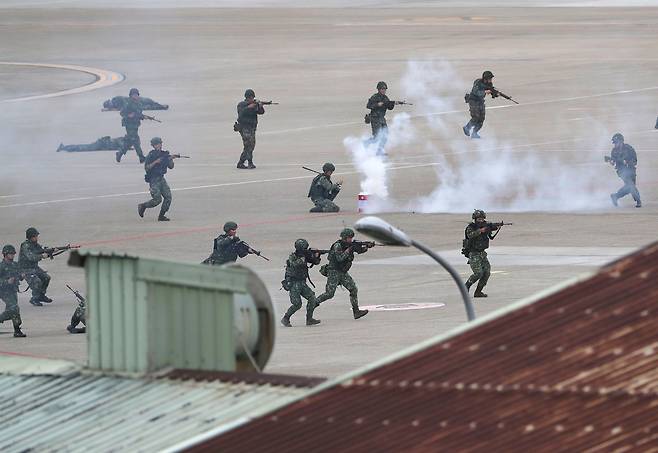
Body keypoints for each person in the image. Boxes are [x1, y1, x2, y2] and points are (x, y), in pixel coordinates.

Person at [314, 228, 371, 320]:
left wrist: (367, 247)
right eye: (349, 238)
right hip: (334, 271)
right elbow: (340, 258)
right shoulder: (337, 246)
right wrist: (349, 249)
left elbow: (359, 250)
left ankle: (356, 311)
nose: (351, 240)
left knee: (353, 289)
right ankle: (314, 303)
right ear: (345, 238)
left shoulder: (349, 245)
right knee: (329, 294)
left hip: (342, 272)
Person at [280, 239, 321, 327]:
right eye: (304, 248)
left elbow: (315, 262)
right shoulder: (293, 256)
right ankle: (286, 318)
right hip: (294, 283)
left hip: (302, 282)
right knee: (297, 304)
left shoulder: (305, 255)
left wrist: (316, 256)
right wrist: (303, 258)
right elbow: (294, 264)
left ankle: (309, 319)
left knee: (312, 298)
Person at [138, 137, 176, 221]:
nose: (159, 145)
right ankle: (143, 206)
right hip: (153, 180)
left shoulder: (164, 154)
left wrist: (170, 160)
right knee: (157, 200)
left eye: (160, 143)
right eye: (157, 144)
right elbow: (147, 168)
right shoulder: (151, 155)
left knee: (168, 197)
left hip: (161, 179)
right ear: (153, 145)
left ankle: (161, 215)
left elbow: (171, 167)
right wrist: (156, 162)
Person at [463, 210, 497, 298]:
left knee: (486, 273)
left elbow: (491, 232)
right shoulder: (471, 227)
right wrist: (480, 230)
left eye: (482, 219)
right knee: (478, 273)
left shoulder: (486, 226)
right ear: (475, 219)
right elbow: (470, 235)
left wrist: (493, 227)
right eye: (479, 219)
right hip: (474, 254)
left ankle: (478, 292)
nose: (481, 220)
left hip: (482, 253)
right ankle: (465, 287)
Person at [18, 227, 52, 307]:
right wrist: (42, 256)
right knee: (37, 281)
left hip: (34, 268)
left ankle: (41, 295)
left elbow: (42, 249)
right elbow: (31, 257)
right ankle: (34, 299)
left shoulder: (35, 244)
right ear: (30, 237)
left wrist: (52, 250)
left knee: (46, 277)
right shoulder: (25, 246)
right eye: (35, 236)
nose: (36, 238)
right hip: (25, 269)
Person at [607, 133, 641, 208]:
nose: (615, 144)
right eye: (614, 143)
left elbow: (635, 159)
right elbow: (614, 163)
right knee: (631, 185)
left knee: (629, 187)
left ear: (621, 141)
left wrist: (628, 162)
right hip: (622, 171)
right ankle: (638, 200)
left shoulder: (628, 148)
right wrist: (612, 162)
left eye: (617, 142)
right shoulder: (614, 151)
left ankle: (615, 196)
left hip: (631, 170)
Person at [0, 245, 26, 337]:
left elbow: (18, 275)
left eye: (13, 254)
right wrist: (7, 281)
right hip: (3, 291)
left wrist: (22, 276)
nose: (12, 255)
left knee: (13, 310)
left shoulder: (15, 265)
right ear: (5, 254)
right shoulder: (1, 266)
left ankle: (17, 330)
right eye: (10, 254)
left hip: (13, 290)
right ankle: (17, 329)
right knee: (14, 308)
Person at [236, 89, 265, 169]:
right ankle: (247, 162)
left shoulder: (253, 105)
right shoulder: (241, 105)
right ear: (247, 98)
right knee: (248, 145)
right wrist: (249, 107)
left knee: (251, 145)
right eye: (250, 97)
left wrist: (260, 106)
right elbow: (241, 113)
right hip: (244, 127)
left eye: (252, 98)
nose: (252, 99)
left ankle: (244, 162)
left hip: (252, 128)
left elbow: (261, 112)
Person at [463, 70, 497, 139]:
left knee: (481, 119)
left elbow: (492, 92)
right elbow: (476, 92)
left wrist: (495, 94)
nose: (490, 80)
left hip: (480, 101)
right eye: (489, 79)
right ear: (485, 79)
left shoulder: (489, 84)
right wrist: (485, 92)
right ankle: (467, 128)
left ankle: (474, 133)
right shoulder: (478, 82)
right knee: (476, 117)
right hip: (473, 100)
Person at [116, 88, 146, 163]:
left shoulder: (139, 103)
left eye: (136, 94)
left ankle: (120, 153)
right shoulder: (128, 104)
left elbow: (139, 113)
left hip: (135, 125)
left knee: (130, 142)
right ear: (131, 96)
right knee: (135, 141)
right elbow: (122, 113)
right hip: (129, 125)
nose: (135, 96)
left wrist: (143, 116)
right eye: (133, 95)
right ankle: (141, 157)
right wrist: (129, 115)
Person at [366, 81, 396, 156]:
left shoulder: (385, 98)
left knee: (385, 135)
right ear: (379, 89)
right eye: (382, 89)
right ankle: (366, 143)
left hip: (382, 119)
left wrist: (393, 104)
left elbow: (389, 108)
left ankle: (379, 150)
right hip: (375, 118)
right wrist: (377, 104)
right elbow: (369, 105)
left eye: (385, 89)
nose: (383, 90)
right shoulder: (374, 97)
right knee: (377, 137)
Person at [57, 136, 125, 153]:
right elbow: (121, 145)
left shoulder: (122, 140)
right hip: (100, 145)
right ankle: (65, 147)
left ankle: (64, 147)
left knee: (82, 147)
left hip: (101, 144)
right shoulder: (122, 140)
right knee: (82, 148)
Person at [103, 96, 168, 111]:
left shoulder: (116, 99)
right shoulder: (115, 105)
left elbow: (124, 104)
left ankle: (161, 106)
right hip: (134, 104)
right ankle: (161, 107)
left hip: (136, 101)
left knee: (149, 103)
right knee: (149, 107)